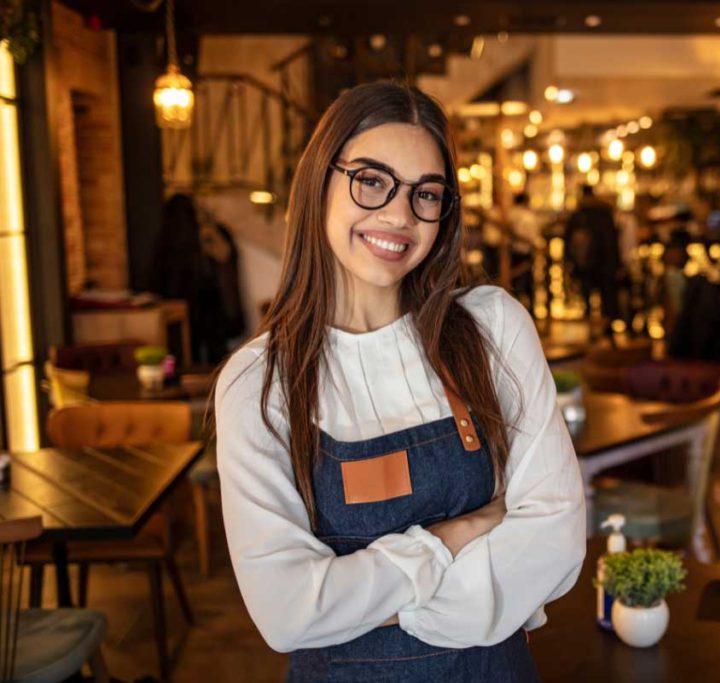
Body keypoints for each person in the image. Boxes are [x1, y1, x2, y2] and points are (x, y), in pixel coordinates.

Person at [214, 81, 586, 681]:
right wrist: (454, 536)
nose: (398, 215)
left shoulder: (492, 327)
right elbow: (286, 614)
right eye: (371, 180)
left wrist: (374, 604)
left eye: (427, 194)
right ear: (320, 183)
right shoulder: (258, 383)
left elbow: (557, 540)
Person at [153, 194, 244, 364]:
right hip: (188, 310)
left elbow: (223, 257)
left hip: (208, 311)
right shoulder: (175, 242)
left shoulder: (205, 235)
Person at [564, 184, 622, 322]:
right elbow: (612, 238)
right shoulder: (604, 213)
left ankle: (591, 322)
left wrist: (569, 259)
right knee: (606, 294)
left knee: (587, 292)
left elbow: (569, 238)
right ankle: (606, 326)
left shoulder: (579, 214)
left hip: (586, 260)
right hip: (605, 260)